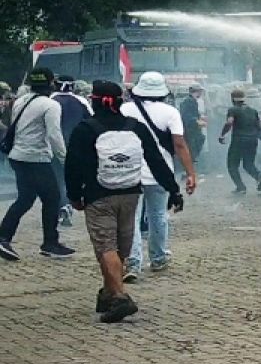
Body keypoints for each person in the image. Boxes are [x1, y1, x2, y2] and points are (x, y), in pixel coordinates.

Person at [65, 81, 186, 322]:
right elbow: (155, 160)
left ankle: (120, 297)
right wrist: (173, 189)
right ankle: (109, 292)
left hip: (99, 196)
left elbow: (72, 166)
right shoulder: (135, 127)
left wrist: (73, 195)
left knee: (106, 247)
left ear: (95, 100)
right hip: (131, 194)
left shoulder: (85, 129)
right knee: (120, 247)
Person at [121, 71, 197, 278]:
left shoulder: (125, 108)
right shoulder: (170, 112)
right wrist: (191, 173)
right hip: (160, 172)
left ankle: (133, 263)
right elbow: (179, 144)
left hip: (129, 171)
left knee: (131, 219)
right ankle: (158, 258)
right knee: (158, 216)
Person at [0, 67, 74, 261]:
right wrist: (66, 159)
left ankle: (4, 237)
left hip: (18, 155)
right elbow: (54, 135)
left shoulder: (21, 101)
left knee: (25, 198)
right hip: (36, 157)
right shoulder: (50, 105)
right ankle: (50, 243)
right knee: (53, 198)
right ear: (50, 83)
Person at [51, 76, 92, 228]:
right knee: (71, 178)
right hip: (76, 147)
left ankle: (61, 206)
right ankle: (67, 204)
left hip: (53, 147)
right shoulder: (81, 101)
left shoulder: (50, 99)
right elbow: (91, 122)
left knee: (57, 178)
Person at [218, 89, 261, 194]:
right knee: (248, 164)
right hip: (252, 140)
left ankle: (240, 187)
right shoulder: (253, 110)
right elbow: (260, 126)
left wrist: (222, 134)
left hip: (239, 140)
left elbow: (229, 122)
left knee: (232, 165)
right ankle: (259, 176)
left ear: (232, 99)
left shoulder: (233, 109)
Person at [179, 86, 207, 174]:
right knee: (192, 146)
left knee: (197, 142)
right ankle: (188, 168)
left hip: (192, 128)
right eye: (200, 92)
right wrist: (197, 121)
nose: (201, 94)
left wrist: (200, 117)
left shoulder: (192, 100)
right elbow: (186, 115)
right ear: (196, 92)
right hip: (189, 128)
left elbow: (193, 113)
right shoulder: (189, 101)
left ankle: (190, 166)